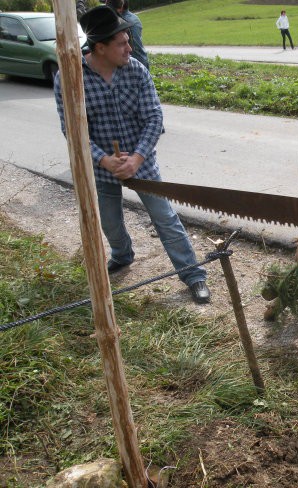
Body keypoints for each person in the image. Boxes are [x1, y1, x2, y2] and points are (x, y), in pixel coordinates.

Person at [54, 6, 210, 304]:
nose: (130, 47)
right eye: (122, 43)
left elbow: (154, 118)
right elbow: (72, 131)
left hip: (142, 161)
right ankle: (123, 255)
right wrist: (104, 159)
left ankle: (194, 275)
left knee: (165, 219)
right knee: (110, 222)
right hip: (102, 168)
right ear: (99, 47)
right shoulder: (69, 78)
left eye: (129, 40)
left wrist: (136, 158)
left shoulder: (136, 70)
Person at [105, 0, 149, 70]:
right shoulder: (134, 17)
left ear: (121, 6)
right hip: (143, 60)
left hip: (133, 65)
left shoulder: (120, 22)